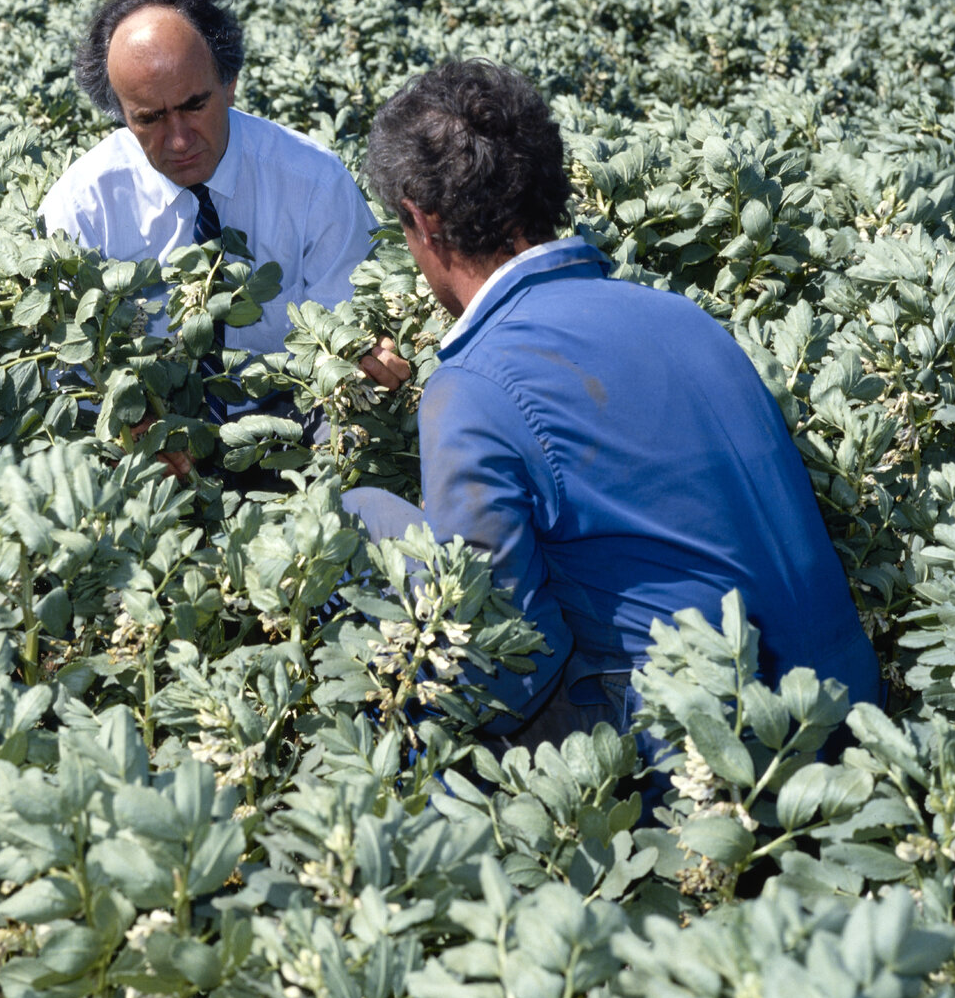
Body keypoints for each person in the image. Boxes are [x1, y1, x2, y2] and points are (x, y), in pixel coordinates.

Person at [344, 58, 881, 757]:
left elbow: (506, 675)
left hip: (697, 755)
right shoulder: (683, 315)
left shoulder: (471, 387)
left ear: (423, 220)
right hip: (847, 711)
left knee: (356, 516)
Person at [41, 0, 410, 471]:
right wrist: (129, 421)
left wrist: (363, 357)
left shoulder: (312, 182)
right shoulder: (82, 207)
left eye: (195, 106)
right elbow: (68, 374)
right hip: (157, 445)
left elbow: (353, 326)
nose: (178, 139)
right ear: (121, 115)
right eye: (149, 118)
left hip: (299, 423)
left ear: (230, 82)